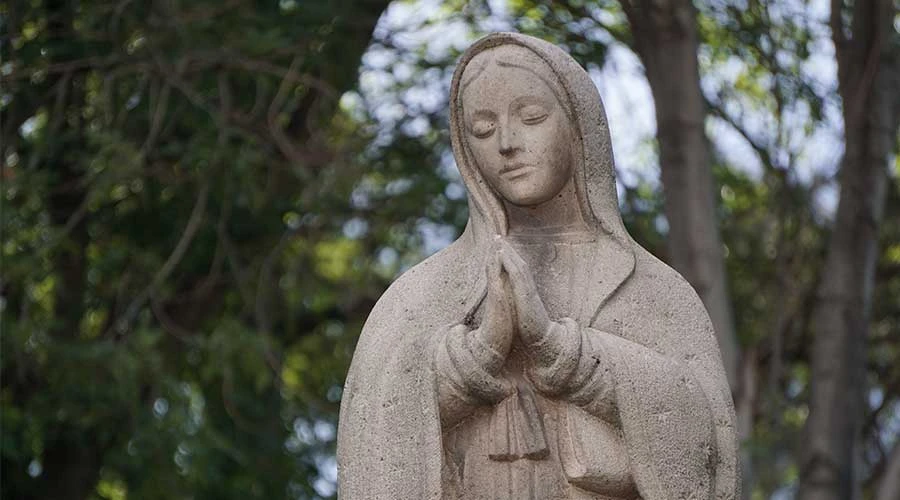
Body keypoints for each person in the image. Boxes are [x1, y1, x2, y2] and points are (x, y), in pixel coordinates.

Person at [337, 32, 739, 500]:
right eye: (482, 129)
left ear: (577, 125)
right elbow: (373, 424)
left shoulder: (654, 291)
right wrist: (478, 353)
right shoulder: (421, 294)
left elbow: (709, 442)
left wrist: (562, 350)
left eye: (531, 117)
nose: (507, 143)